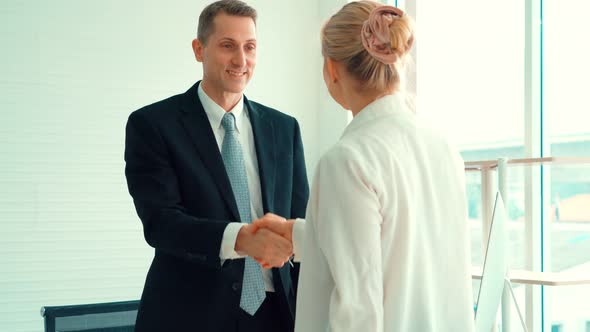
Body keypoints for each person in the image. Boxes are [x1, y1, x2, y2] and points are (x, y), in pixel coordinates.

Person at [124, 1, 309, 331]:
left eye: (250, 47)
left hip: (276, 314)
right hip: (189, 314)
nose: (241, 60)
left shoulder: (284, 129)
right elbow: (161, 223)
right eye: (227, 46)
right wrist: (241, 239)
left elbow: (301, 220)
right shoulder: (153, 125)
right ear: (199, 49)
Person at [292, 2, 475, 331]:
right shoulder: (443, 147)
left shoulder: (347, 160)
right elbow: (408, 252)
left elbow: (358, 310)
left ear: (332, 69)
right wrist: (299, 235)